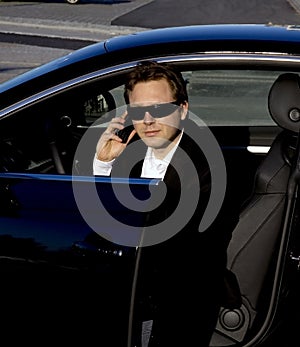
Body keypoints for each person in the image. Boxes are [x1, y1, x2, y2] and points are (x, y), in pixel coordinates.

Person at [93, 61, 239, 347]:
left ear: (182, 110)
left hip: (178, 297)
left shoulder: (206, 169)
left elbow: (178, 253)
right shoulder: (130, 151)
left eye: (159, 109)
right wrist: (103, 164)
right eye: (137, 111)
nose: (148, 120)